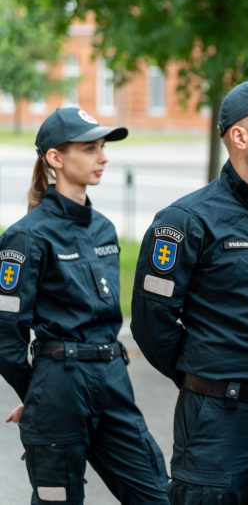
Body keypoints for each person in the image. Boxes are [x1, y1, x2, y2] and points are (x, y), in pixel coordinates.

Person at [131, 79, 248, 504]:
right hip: (220, 423)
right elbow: (151, 322)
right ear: (239, 136)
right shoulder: (184, 221)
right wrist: (204, 377)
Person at [0, 108, 169, 504]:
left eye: (103, 147)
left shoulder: (104, 229)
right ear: (55, 159)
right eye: (90, 148)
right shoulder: (26, 237)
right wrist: (39, 392)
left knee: (155, 493)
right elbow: (5, 334)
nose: (103, 157)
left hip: (112, 377)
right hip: (60, 384)